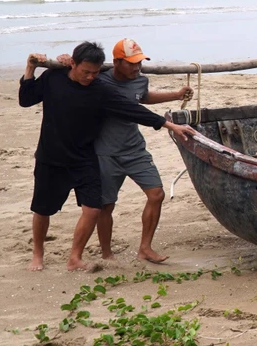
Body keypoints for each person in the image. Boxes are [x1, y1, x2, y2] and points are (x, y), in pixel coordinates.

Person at [19, 42, 193, 272]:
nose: (90, 77)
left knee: (92, 209)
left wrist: (170, 125)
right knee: (43, 210)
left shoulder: (100, 89)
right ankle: (38, 255)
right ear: (73, 63)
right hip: (51, 157)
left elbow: (134, 109)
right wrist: (30, 69)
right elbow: (26, 99)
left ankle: (74, 258)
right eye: (86, 72)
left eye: (95, 72)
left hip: (85, 157)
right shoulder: (54, 77)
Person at [87, 39, 192, 264]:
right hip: (106, 153)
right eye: (131, 63)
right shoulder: (99, 81)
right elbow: (76, 72)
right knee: (106, 205)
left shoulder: (139, 81)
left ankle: (145, 248)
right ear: (116, 62)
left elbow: (143, 98)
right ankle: (107, 253)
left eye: (140, 63)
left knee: (156, 194)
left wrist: (176, 95)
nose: (137, 68)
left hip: (135, 149)